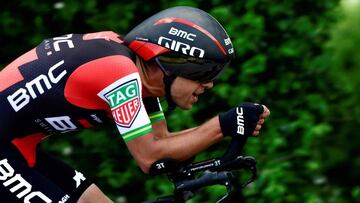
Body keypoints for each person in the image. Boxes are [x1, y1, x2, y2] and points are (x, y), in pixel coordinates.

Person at [0, 6, 270, 203]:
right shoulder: (119, 73)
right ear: (170, 63)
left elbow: (162, 145)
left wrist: (205, 158)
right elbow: (149, 156)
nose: (209, 85)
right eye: (205, 74)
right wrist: (223, 125)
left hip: (15, 146)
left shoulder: (142, 79)